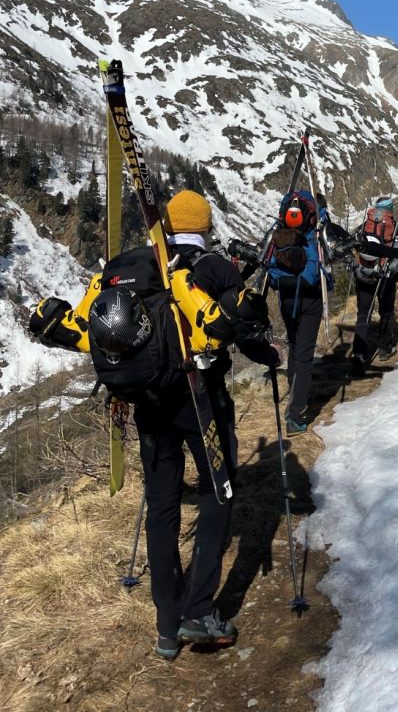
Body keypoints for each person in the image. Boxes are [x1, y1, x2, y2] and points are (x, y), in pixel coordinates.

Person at [30, 189, 281, 661]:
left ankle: (167, 625)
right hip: (200, 398)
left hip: (147, 399)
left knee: (163, 502)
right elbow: (244, 327)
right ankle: (199, 610)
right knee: (218, 491)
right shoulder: (212, 266)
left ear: (166, 225)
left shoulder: (133, 265)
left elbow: (88, 327)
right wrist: (268, 355)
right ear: (204, 226)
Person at [266, 188, 333, 436]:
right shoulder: (316, 227)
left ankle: (294, 395)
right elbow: (324, 258)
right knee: (305, 354)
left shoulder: (283, 226)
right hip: (310, 298)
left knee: (295, 347)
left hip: (285, 296)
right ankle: (295, 415)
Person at [350, 195, 398, 373]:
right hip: (385, 273)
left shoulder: (366, 224)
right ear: (390, 209)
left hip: (364, 272)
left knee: (363, 314)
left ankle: (358, 354)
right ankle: (385, 348)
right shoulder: (394, 227)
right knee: (386, 310)